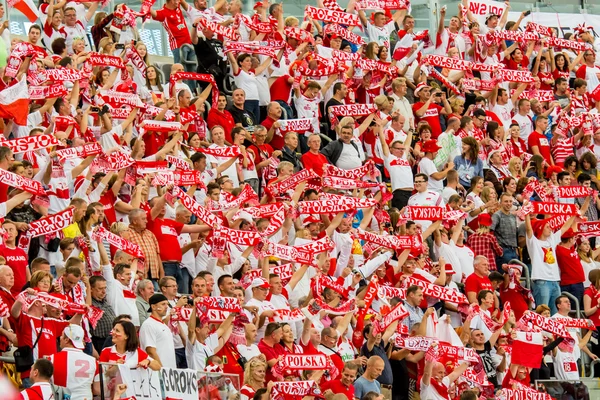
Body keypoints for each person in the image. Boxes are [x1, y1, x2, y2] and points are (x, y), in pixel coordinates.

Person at [48, 325, 100, 399]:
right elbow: (97, 390)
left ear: (66, 340)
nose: (60, 338)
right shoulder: (93, 361)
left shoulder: (50, 359)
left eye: (62, 336)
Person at [139, 293, 177, 368]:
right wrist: (161, 369)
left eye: (167, 304)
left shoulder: (163, 325)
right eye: (163, 304)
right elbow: (150, 350)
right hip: (157, 372)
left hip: (169, 371)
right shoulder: (149, 325)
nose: (166, 307)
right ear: (153, 306)